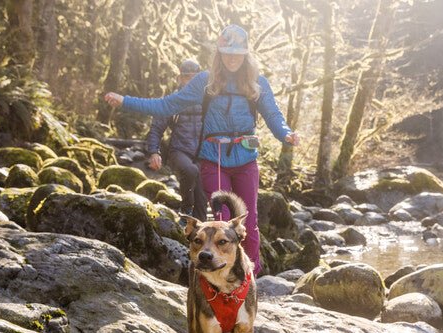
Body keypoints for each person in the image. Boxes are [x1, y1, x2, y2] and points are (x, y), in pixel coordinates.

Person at [104, 24, 299, 275]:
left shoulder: (256, 84)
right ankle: (223, 275)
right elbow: (166, 105)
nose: (232, 57)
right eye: (227, 52)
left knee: (248, 222)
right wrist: (125, 101)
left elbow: (273, 115)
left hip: (246, 160)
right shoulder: (205, 82)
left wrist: (286, 133)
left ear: (246, 54)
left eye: (237, 53)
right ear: (219, 53)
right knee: (224, 223)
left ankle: (250, 277)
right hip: (213, 160)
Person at [145, 58, 207, 221]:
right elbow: (156, 128)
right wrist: (153, 152)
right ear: (180, 78)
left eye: (195, 77)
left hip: (203, 153)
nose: (191, 81)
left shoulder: (209, 101)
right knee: (190, 170)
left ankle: (198, 237)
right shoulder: (172, 101)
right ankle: (186, 206)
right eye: (187, 77)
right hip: (179, 151)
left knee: (202, 199)